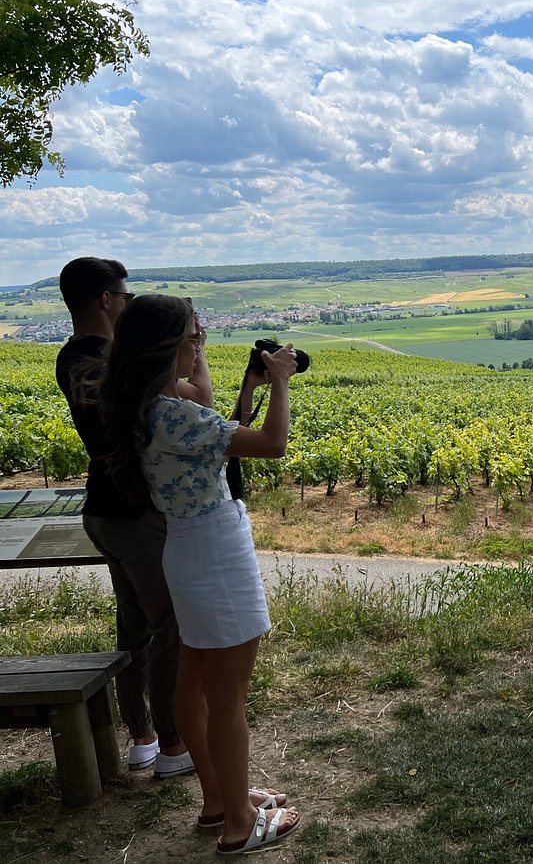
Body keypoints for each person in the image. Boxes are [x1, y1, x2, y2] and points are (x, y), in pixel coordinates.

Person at [98, 294, 301, 855]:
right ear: (165, 349)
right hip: (216, 551)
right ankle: (240, 825)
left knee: (194, 682)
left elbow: (205, 403)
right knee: (229, 697)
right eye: (193, 338)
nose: (200, 345)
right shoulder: (173, 414)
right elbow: (272, 445)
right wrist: (281, 381)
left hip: (186, 550)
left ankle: (218, 802)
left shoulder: (148, 403)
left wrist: (244, 383)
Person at [55, 257, 194, 778]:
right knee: (169, 625)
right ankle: (173, 746)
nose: (128, 304)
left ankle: (142, 737)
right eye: (126, 296)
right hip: (132, 510)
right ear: (106, 300)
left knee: (135, 624)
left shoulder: (74, 359)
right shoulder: (101, 361)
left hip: (106, 507)